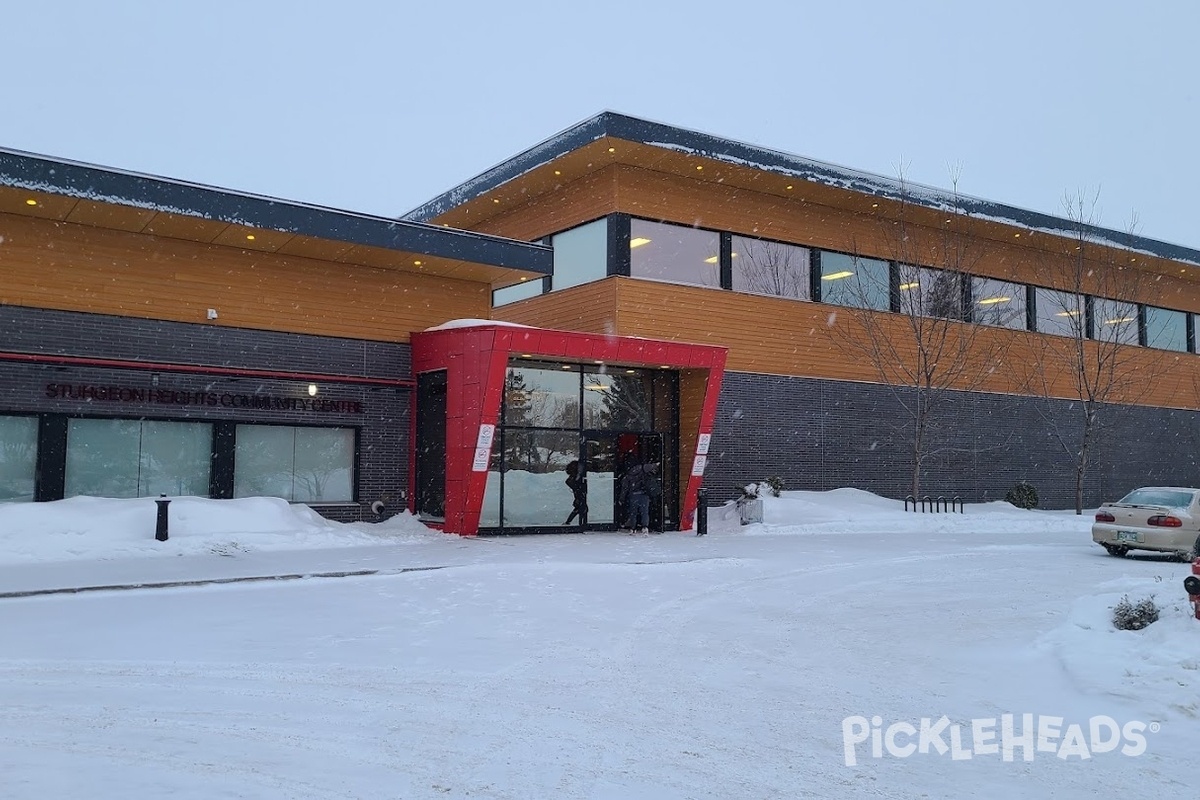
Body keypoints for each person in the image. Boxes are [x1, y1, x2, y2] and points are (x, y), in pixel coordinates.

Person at [619, 461, 661, 533]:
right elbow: (651, 467)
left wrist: (621, 498)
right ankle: (645, 527)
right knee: (644, 512)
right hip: (644, 495)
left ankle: (633, 528)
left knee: (633, 512)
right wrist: (656, 464)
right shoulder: (643, 468)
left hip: (633, 495)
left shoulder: (628, 475)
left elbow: (624, 488)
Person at [563, 460, 588, 525]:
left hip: (579, 492)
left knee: (581, 507)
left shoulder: (575, 475)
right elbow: (569, 482)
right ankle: (582, 524)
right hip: (579, 493)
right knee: (582, 507)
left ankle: (580, 523)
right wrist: (577, 488)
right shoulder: (576, 476)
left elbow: (569, 482)